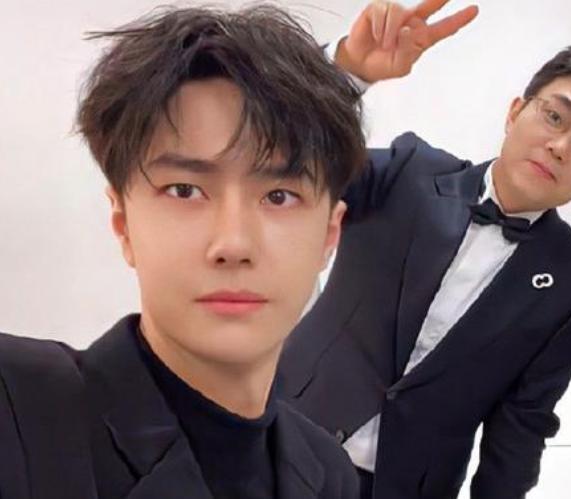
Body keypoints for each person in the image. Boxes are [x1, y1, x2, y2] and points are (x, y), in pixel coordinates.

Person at [278, 1, 571, 498]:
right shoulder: (410, 170)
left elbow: (521, 429)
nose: (561, 146)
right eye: (554, 116)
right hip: (282, 439)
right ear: (515, 112)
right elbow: (292, 163)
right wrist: (347, 74)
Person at [0, 5, 365, 498]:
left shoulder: (327, 473)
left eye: (279, 196)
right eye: (185, 191)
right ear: (123, 223)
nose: (233, 244)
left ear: (329, 235)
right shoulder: (20, 409)